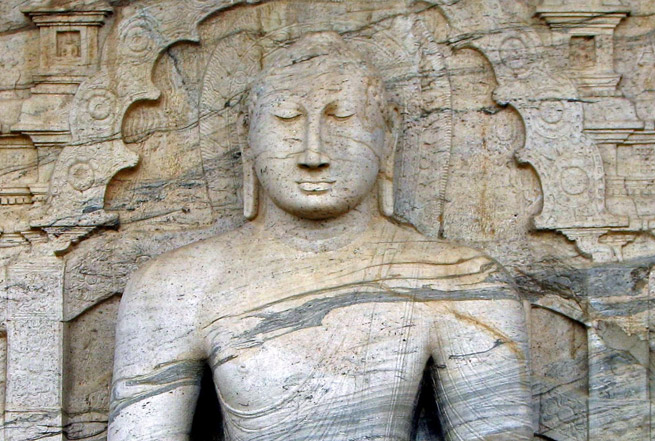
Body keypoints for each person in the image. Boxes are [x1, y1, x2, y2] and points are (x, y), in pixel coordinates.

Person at [109, 32, 533, 441]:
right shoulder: (172, 285)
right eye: (286, 119)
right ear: (247, 138)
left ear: (388, 134)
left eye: (342, 117)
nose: (313, 154)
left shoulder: (462, 280)